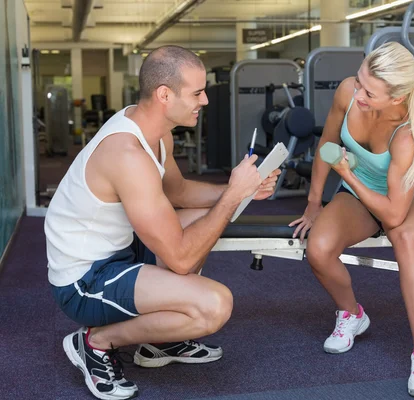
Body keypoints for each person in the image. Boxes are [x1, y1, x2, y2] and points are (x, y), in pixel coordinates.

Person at [45, 45, 280, 400]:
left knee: (205, 216)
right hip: (84, 279)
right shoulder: (127, 154)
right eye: (197, 93)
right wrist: (232, 196)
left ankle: (157, 341)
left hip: (120, 249)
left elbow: (180, 192)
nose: (205, 101)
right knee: (214, 306)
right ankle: (95, 342)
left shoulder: (154, 130)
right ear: (164, 95)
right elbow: (182, 258)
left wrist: (240, 190)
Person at [290, 42, 414, 397]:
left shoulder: (407, 134)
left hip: (402, 200)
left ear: (396, 98)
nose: (357, 93)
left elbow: (392, 212)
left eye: (369, 92)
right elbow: (327, 141)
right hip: (356, 196)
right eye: (359, 82)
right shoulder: (347, 91)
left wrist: (348, 173)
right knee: (319, 249)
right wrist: (314, 202)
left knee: (405, 238)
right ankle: (351, 313)